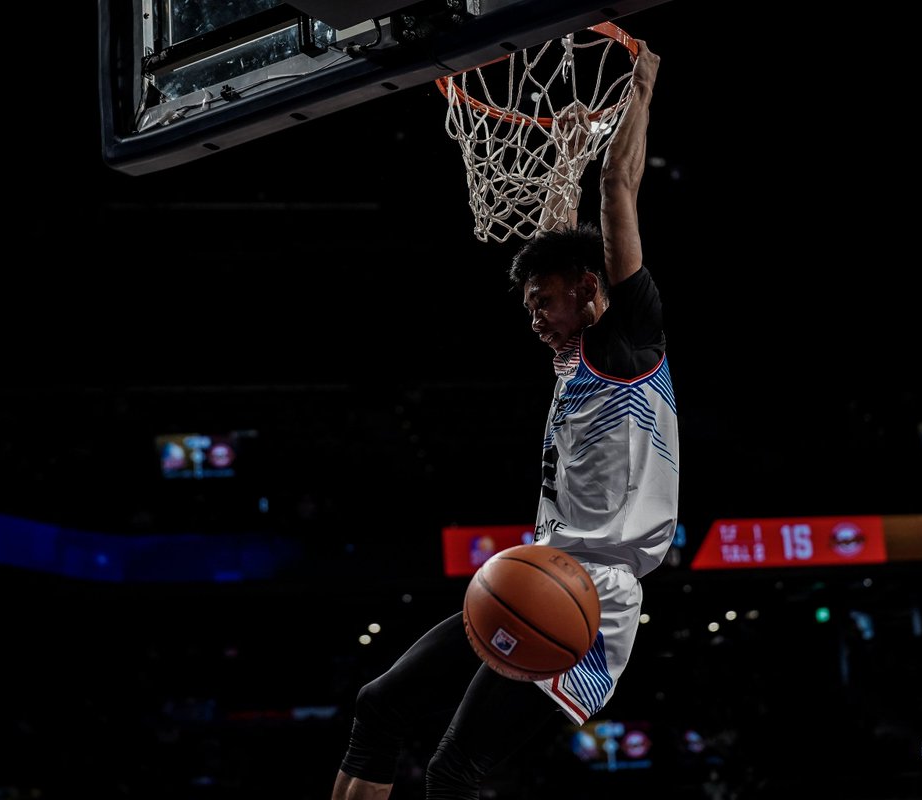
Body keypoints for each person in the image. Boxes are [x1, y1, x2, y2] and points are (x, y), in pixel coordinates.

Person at [331, 41, 675, 800]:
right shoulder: (574, 353)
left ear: (590, 290)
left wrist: (639, 87)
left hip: (590, 594)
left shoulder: (628, 339)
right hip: (541, 570)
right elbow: (554, 234)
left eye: (541, 302)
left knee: (456, 769)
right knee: (379, 706)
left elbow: (620, 188)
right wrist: (564, 153)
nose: (533, 318)